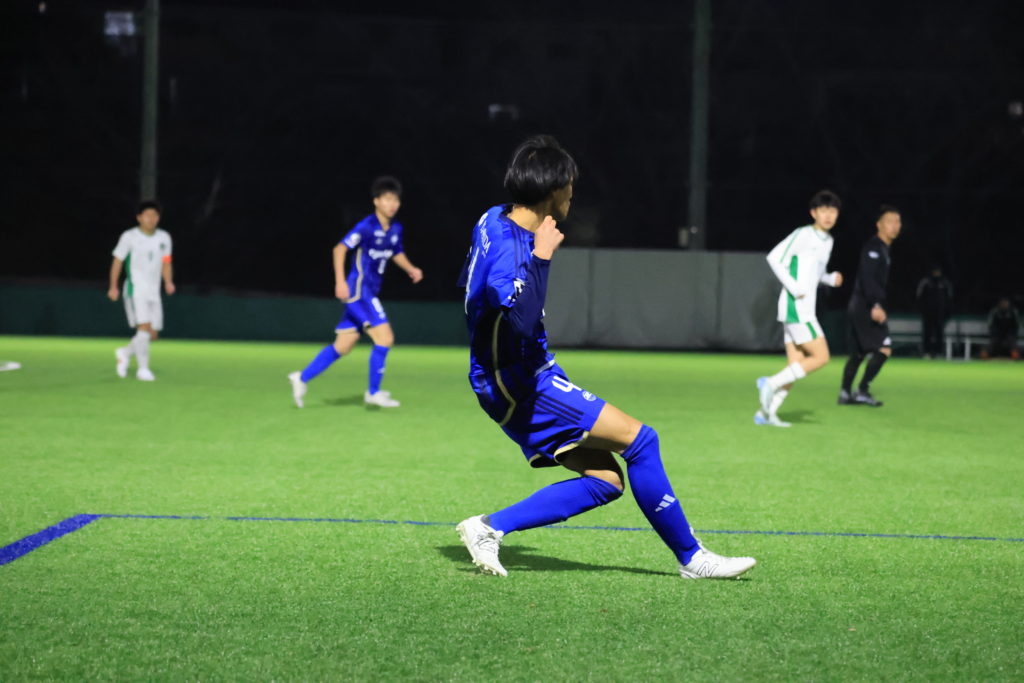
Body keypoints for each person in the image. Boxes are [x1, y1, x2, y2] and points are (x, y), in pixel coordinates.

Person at [454, 135, 756, 580]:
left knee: (606, 481)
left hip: (507, 375)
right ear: (552, 189)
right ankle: (693, 559)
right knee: (641, 440)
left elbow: (468, 281)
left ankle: (488, 528)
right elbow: (517, 318)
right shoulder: (516, 250)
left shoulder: (493, 217)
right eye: (570, 184)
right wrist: (541, 258)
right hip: (519, 381)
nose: (573, 193)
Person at [288, 176, 423, 408]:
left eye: (396, 200)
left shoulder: (395, 229)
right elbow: (339, 249)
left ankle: (301, 378)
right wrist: (340, 282)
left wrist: (411, 268)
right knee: (385, 338)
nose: (392, 204)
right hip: (359, 291)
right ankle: (373, 393)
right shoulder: (366, 226)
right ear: (376, 201)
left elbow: (396, 252)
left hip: (369, 292)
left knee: (343, 345)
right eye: (387, 199)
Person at [755, 190, 844, 427]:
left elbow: (815, 273)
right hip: (796, 306)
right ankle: (769, 383)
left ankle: (766, 414)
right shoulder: (803, 234)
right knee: (821, 357)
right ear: (813, 213)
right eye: (823, 210)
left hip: (804, 307)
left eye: (832, 211)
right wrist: (794, 288)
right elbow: (774, 257)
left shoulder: (828, 241)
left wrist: (829, 278)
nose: (828, 215)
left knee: (795, 366)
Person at [838, 205, 902, 406]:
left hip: (859, 305)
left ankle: (845, 393)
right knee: (884, 348)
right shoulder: (874, 248)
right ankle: (862, 390)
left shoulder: (883, 249)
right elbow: (868, 279)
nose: (895, 226)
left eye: (898, 222)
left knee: (858, 353)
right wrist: (875, 304)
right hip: (865, 306)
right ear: (879, 225)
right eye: (890, 221)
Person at [108, 200, 175, 381]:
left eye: (154, 215)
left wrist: (168, 282)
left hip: (154, 291)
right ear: (139, 217)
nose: (151, 219)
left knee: (152, 334)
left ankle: (125, 352)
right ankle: (143, 370)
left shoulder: (164, 238)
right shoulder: (129, 237)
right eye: (147, 215)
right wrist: (113, 286)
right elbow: (117, 260)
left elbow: (166, 261)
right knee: (144, 328)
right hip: (135, 289)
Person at [916, 266, 953, 358]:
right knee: (927, 333)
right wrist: (922, 310)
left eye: (938, 271)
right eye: (935, 271)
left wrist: (947, 313)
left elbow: (949, 299)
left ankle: (939, 352)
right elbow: (919, 297)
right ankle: (926, 352)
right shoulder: (925, 282)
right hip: (927, 314)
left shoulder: (944, 283)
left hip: (940, 314)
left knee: (939, 334)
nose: (937, 273)